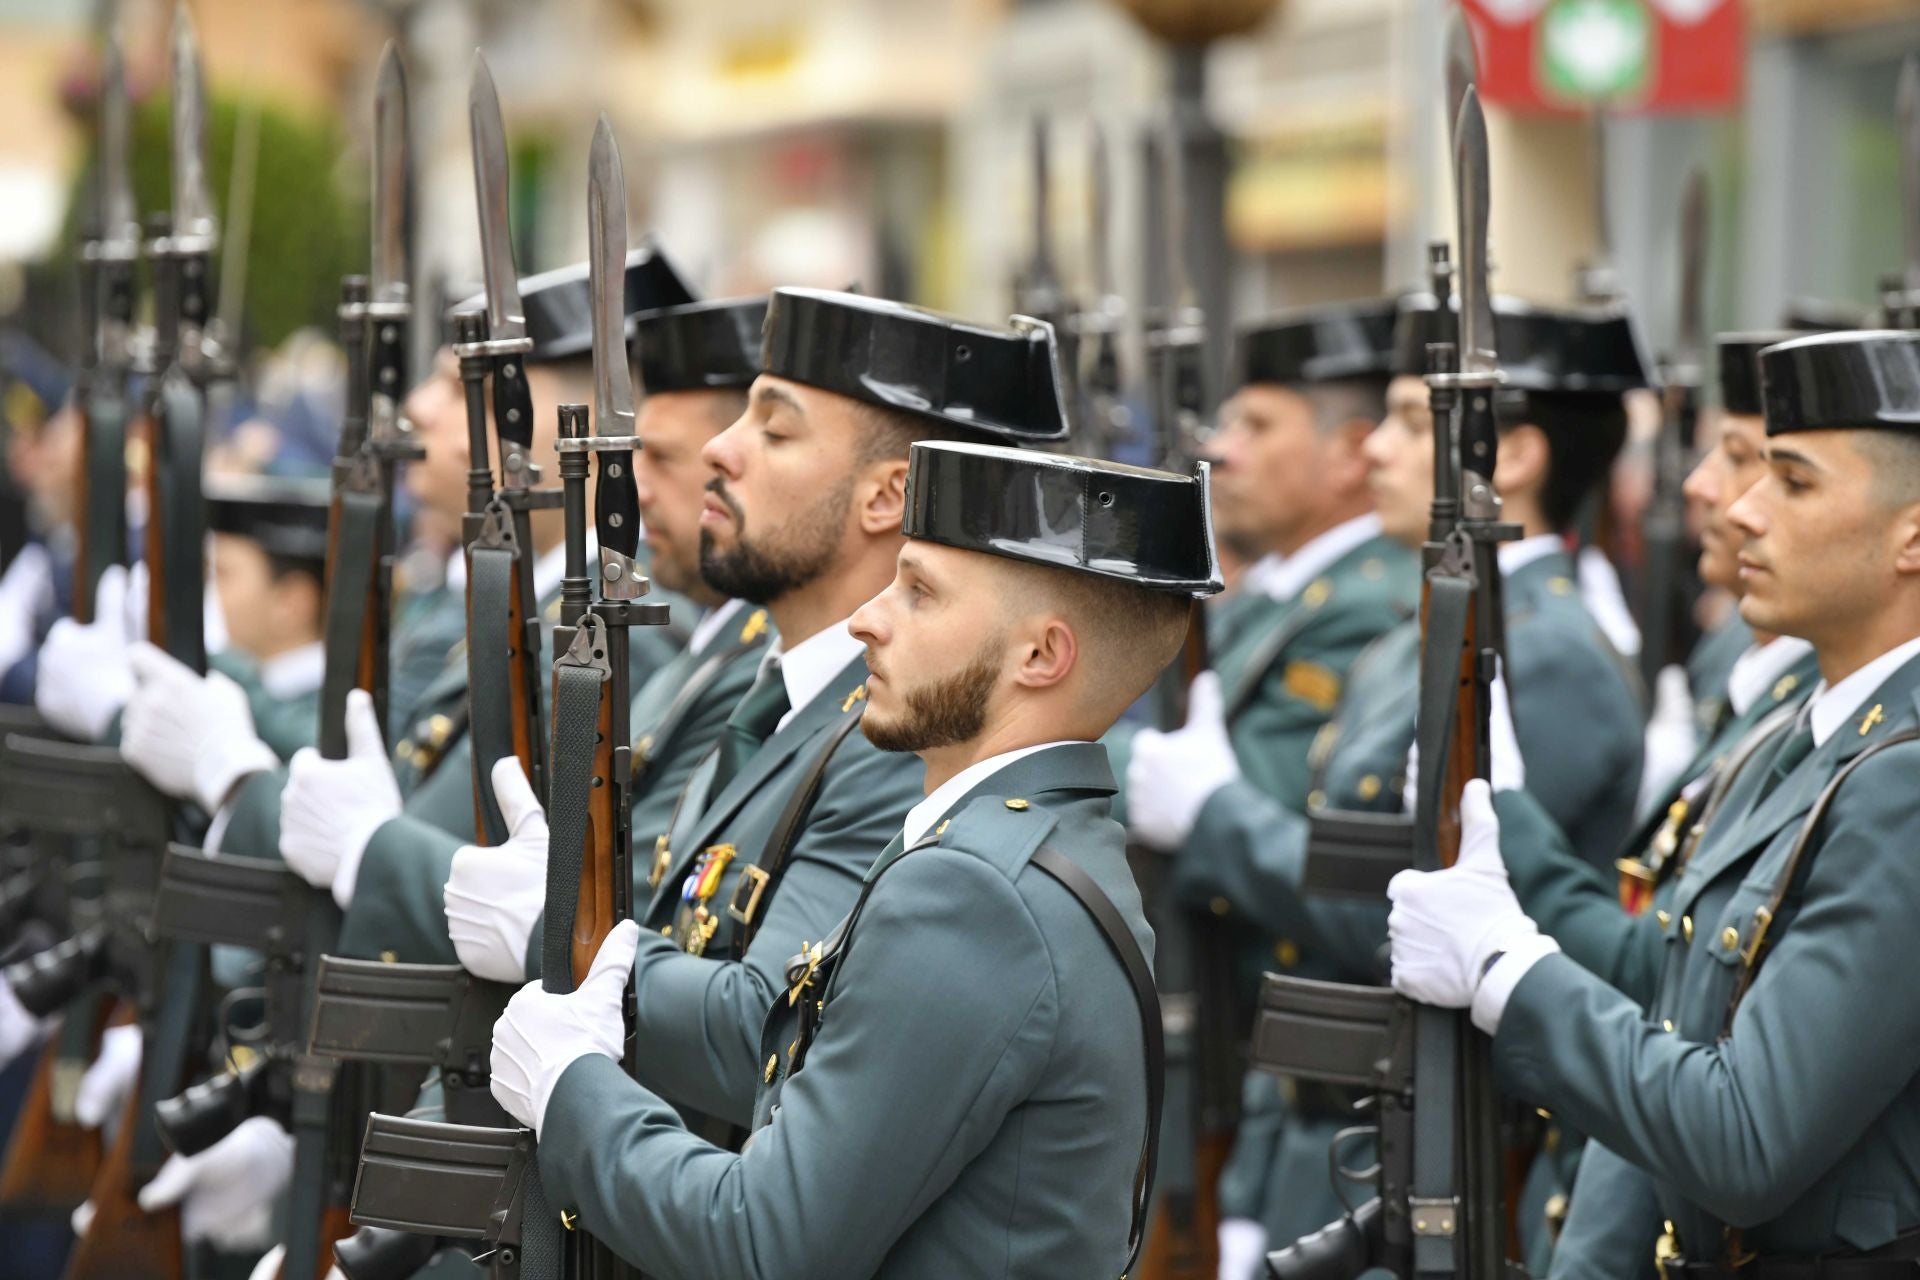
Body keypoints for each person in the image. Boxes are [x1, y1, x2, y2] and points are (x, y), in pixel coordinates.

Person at [486, 437, 1219, 1278]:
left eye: (920, 594)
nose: (870, 617)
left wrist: (573, 1087)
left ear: (1041, 656)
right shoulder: (1022, 850)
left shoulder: (975, 893)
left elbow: (763, 1243)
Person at [457, 287, 1071, 1135]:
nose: (719, 449)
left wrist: (559, 935)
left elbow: (771, 1031)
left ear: (888, 497)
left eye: (774, 430)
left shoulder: (900, 732)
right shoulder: (777, 689)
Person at [1389, 328, 1920, 1277]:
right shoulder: (1801, 728)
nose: (1741, 508)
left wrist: (1512, 973)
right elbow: (1673, 1004)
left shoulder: (1901, 780)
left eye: (1792, 483)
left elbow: (1745, 1138)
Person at [338, 295, 775, 970]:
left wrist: (352, 838)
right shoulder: (667, 633)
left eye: (466, 393)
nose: (637, 486)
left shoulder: (635, 630)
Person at [1119, 299, 1419, 1276]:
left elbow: (1290, 820)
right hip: (1237, 1072)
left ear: (1348, 454)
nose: (1221, 448)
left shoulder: (1370, 605)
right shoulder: (1279, 599)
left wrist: (1195, 801)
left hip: (1288, 1067)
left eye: (1257, 425)